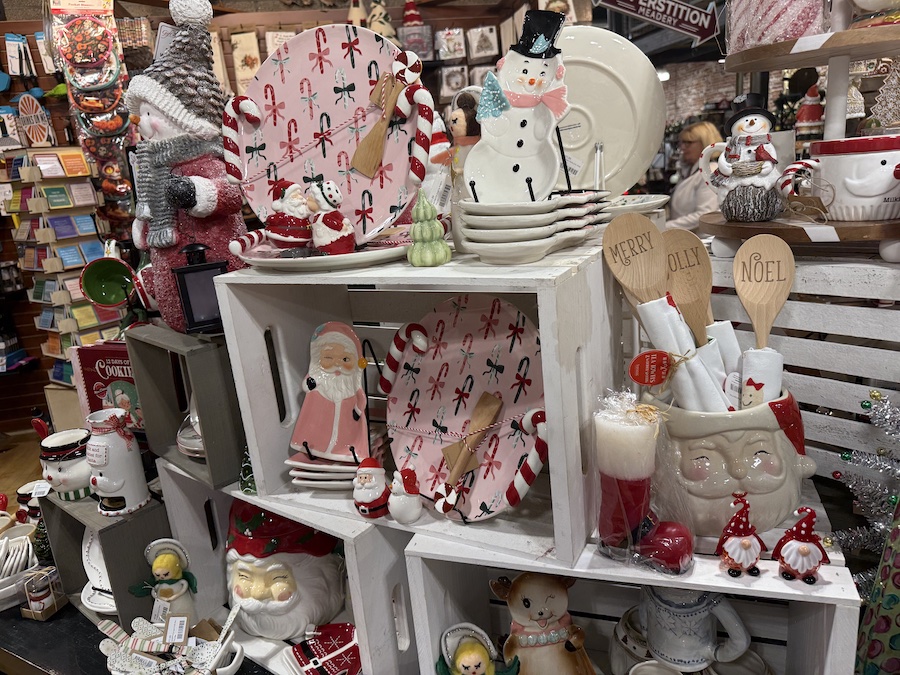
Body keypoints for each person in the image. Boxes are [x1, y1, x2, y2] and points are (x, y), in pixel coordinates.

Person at [666, 120, 722, 231]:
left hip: (702, 240)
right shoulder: (691, 170)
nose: (682, 147)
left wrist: (663, 226)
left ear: (705, 143)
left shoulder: (710, 171)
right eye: (681, 143)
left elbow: (705, 214)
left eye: (688, 143)